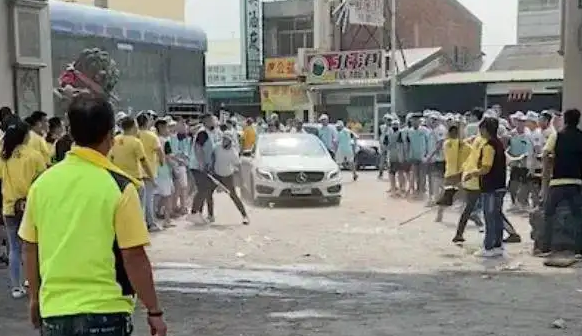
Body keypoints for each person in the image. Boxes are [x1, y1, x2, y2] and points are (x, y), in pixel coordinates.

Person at [18, 96, 166, 336]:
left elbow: (30, 247)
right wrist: (154, 311)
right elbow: (133, 256)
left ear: (70, 131)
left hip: (55, 311)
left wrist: (34, 297)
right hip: (106, 311)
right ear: (110, 135)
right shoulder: (120, 187)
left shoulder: (42, 184)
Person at [0, 120, 47, 298]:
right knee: (33, 245)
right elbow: (42, 179)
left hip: (9, 207)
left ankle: (16, 286)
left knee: (14, 247)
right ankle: (32, 280)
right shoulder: (34, 156)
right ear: (25, 136)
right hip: (30, 205)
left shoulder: (4, 156)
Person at [538, 108, 582, 257]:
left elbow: (545, 154)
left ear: (565, 120)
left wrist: (545, 179)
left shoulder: (556, 136)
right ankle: (579, 250)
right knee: (578, 217)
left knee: (548, 214)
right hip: (576, 182)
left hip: (557, 182)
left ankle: (545, 248)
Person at [464, 117, 507, 257]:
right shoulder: (499, 144)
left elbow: (486, 168)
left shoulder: (488, 146)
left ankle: (488, 247)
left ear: (485, 130)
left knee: (489, 217)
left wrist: (472, 174)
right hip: (500, 185)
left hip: (491, 187)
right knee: (497, 216)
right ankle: (498, 245)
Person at [109, 117, 158, 231]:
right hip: (135, 179)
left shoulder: (114, 140)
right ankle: (137, 229)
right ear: (133, 127)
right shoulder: (136, 142)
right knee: (138, 207)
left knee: (121, 206)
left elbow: (110, 158)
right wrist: (151, 177)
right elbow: (143, 161)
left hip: (118, 178)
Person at [213, 133, 250, 225]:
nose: (224, 141)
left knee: (233, 195)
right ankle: (210, 215)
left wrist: (242, 180)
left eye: (226, 139)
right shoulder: (217, 147)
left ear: (230, 141)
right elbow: (212, 156)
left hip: (227, 175)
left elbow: (238, 165)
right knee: (207, 192)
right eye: (223, 139)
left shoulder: (233, 152)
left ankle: (244, 216)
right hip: (216, 174)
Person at [136, 113, 164, 232]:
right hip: (150, 170)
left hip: (136, 171)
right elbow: (159, 152)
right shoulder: (152, 136)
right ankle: (150, 223)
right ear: (147, 122)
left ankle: (141, 223)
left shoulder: (134, 135)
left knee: (139, 200)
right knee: (149, 199)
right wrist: (162, 162)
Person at [189, 127, 216, 225]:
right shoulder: (202, 133)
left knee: (206, 190)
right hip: (198, 167)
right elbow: (198, 148)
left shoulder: (210, 133)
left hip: (204, 167)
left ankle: (199, 213)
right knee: (202, 190)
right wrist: (202, 164)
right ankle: (194, 213)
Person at [153, 119, 175, 227]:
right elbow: (168, 157)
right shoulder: (165, 141)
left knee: (159, 195)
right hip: (164, 171)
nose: (168, 130)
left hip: (156, 170)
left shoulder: (154, 140)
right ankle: (167, 220)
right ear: (161, 128)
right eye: (166, 128)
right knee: (167, 196)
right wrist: (174, 167)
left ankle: (155, 215)